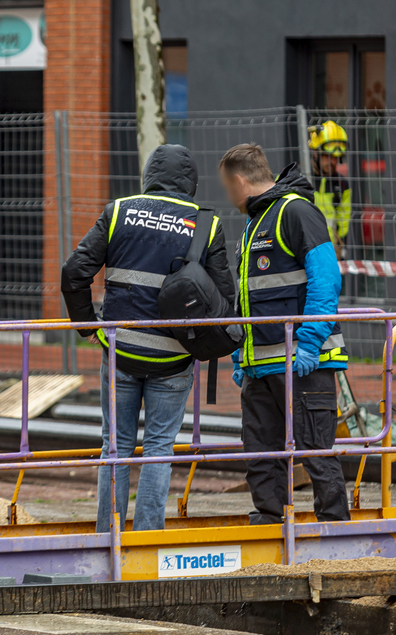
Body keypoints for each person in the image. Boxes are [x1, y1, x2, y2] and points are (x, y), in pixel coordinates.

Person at [61, 144, 235, 532]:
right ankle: (146, 541)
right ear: (191, 180)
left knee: (116, 448)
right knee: (158, 449)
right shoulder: (205, 224)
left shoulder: (119, 211)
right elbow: (226, 300)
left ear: (149, 175)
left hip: (120, 351)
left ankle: (108, 538)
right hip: (173, 359)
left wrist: (87, 325)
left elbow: (73, 271)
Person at [218, 143, 350, 524]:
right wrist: (242, 356)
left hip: (306, 363)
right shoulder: (253, 226)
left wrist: (308, 344)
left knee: (315, 452)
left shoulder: (296, 212)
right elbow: (249, 297)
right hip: (263, 367)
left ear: (240, 181)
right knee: (261, 453)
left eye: (228, 188)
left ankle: (336, 533)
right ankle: (270, 522)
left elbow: (326, 281)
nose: (229, 197)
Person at [308, 121, 351, 257]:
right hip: (299, 252)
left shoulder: (342, 185)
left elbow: (343, 222)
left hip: (328, 253)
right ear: (315, 152)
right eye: (327, 155)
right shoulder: (295, 178)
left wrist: (340, 247)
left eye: (336, 157)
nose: (332, 161)